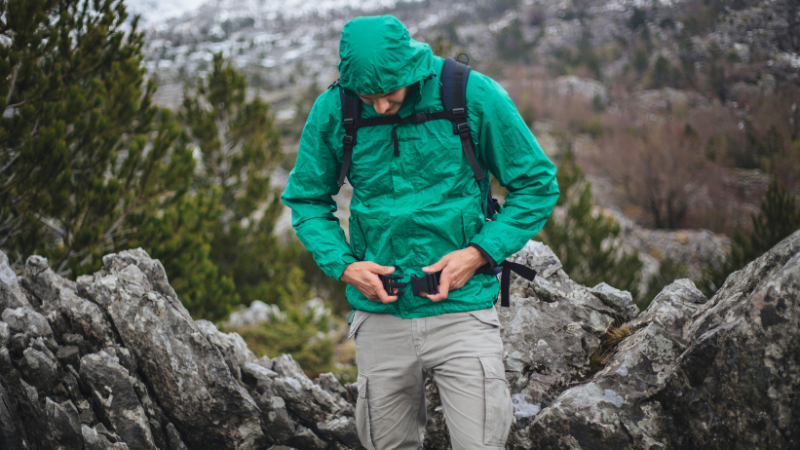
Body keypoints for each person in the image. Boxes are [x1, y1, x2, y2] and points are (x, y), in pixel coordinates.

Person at [281, 15, 559, 450]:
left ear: (410, 70)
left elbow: (537, 184)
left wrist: (480, 253)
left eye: (387, 94)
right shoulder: (335, 109)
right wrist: (345, 266)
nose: (378, 107)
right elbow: (305, 200)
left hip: (462, 311)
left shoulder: (470, 94)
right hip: (380, 317)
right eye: (366, 96)